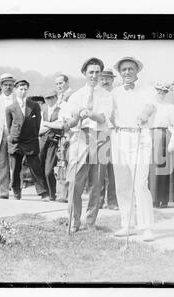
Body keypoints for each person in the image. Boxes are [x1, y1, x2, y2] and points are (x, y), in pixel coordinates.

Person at [111, 56, 157, 242]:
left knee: (140, 184)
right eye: (124, 70)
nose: (127, 72)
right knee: (123, 185)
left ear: (137, 71)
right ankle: (127, 224)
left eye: (131, 69)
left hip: (140, 136)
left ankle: (146, 227)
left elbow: (150, 106)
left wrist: (143, 115)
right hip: (119, 137)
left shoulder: (148, 89)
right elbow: (108, 113)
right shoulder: (114, 92)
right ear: (120, 73)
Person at [65, 57, 113, 232]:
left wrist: (88, 112)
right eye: (91, 72)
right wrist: (75, 116)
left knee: (96, 183)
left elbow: (102, 118)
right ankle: (73, 220)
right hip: (80, 136)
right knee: (74, 181)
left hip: (101, 138)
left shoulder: (107, 95)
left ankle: (90, 222)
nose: (94, 75)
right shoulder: (76, 96)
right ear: (84, 73)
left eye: (97, 72)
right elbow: (71, 118)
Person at [5, 79, 49, 200]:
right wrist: (13, 137)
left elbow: (38, 122)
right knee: (15, 168)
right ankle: (16, 191)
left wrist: (33, 135)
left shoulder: (33, 105)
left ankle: (42, 192)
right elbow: (9, 125)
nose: (23, 92)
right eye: (21, 89)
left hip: (30, 140)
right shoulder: (10, 108)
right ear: (15, 90)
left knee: (35, 167)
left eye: (25, 89)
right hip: (16, 141)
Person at [148, 81, 174, 208]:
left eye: (163, 92)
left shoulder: (171, 107)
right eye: (159, 91)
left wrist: (172, 142)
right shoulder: (149, 106)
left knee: (165, 168)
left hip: (165, 135)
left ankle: (165, 198)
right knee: (152, 169)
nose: (161, 94)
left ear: (167, 93)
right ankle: (153, 199)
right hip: (150, 135)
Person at [39, 90, 69, 201]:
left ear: (56, 98)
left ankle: (52, 194)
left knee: (48, 169)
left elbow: (61, 125)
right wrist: (51, 125)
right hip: (43, 140)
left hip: (54, 141)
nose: (49, 100)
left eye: (51, 98)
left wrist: (47, 124)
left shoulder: (60, 110)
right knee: (40, 167)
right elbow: (39, 129)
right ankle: (46, 193)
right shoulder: (44, 111)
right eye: (47, 98)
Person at [98, 68, 119, 210]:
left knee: (114, 169)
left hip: (116, 134)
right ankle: (98, 200)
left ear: (112, 80)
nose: (105, 81)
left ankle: (112, 201)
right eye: (102, 78)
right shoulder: (98, 95)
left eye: (108, 78)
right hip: (101, 134)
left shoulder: (118, 94)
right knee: (99, 169)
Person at [55, 74, 74, 203]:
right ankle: (62, 194)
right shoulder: (59, 98)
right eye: (57, 84)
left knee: (68, 163)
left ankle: (66, 194)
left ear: (67, 82)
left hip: (70, 132)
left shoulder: (72, 96)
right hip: (61, 133)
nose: (59, 86)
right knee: (61, 164)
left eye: (61, 83)